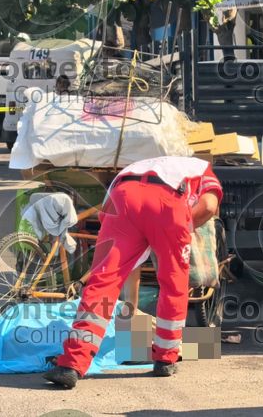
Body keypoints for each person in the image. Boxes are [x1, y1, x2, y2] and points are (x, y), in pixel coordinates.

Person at [43, 156, 223, 389]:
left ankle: (72, 365)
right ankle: (165, 360)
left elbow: (131, 261)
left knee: (103, 282)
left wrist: (131, 304)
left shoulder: (143, 164)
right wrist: (182, 229)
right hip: (167, 204)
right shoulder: (202, 168)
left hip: (121, 197)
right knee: (174, 283)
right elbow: (209, 205)